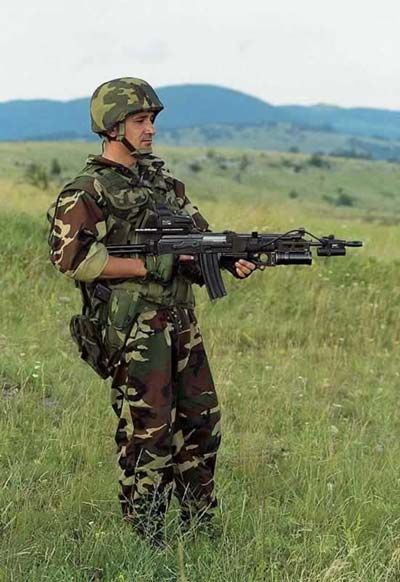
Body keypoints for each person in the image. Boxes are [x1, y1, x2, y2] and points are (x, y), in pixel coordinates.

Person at [48, 77, 256, 545]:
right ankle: (147, 535)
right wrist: (149, 266)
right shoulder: (87, 190)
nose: (150, 130)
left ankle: (199, 525)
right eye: (140, 121)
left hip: (181, 323)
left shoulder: (163, 184)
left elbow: (197, 240)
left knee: (201, 420)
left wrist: (226, 258)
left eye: (152, 120)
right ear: (112, 127)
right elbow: (73, 259)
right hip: (135, 330)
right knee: (149, 431)